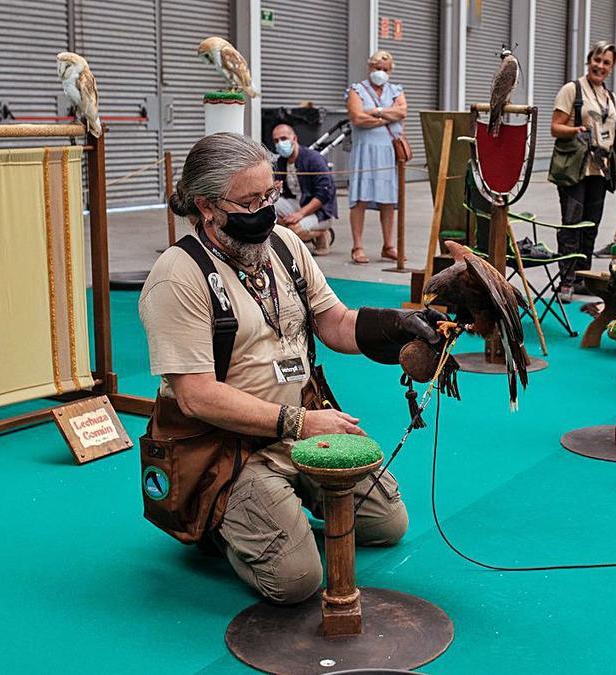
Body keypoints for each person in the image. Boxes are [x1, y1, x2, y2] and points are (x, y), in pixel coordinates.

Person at [141, 132, 443, 604]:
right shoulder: (178, 276)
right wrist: (300, 423)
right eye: (249, 201)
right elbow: (196, 396)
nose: (267, 209)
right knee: (296, 582)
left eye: (271, 194)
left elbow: (337, 323)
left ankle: (286, 499)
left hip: (300, 423)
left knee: (388, 523)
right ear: (205, 207)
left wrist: (401, 325)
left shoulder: (283, 244)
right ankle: (217, 520)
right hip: (225, 446)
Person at [551, 40, 616, 301]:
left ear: (611, 68)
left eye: (606, 63)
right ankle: (566, 280)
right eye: (597, 60)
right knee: (572, 223)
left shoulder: (609, 96)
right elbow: (555, 127)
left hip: (599, 169)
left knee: (591, 225)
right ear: (590, 60)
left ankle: (583, 277)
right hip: (575, 166)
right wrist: (576, 130)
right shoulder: (572, 89)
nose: (600, 66)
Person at [346, 50, 408, 264]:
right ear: (369, 68)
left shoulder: (396, 90)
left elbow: (402, 112)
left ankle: (388, 246)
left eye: (385, 69)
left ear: (390, 71)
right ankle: (358, 246)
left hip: (388, 152)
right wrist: (386, 116)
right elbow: (357, 117)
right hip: (364, 151)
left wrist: (375, 111)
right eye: (377, 68)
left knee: (388, 200)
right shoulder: (356, 90)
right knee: (359, 199)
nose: (380, 72)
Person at [271, 123, 337, 255]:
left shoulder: (314, 159)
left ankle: (322, 233)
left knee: (293, 230)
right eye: (276, 141)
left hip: (320, 212)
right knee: (269, 209)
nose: (280, 143)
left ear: (294, 139)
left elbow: (324, 194)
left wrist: (300, 214)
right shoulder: (280, 162)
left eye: (283, 139)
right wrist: (273, 188)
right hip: (297, 203)